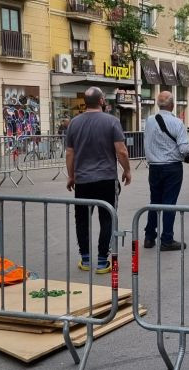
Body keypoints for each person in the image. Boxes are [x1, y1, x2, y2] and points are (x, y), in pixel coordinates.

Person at [65, 87, 131, 273]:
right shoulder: (112, 122)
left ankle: (85, 260)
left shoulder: (74, 123)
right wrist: (127, 171)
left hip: (83, 181)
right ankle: (103, 261)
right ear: (101, 100)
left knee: (82, 220)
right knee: (107, 218)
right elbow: (121, 151)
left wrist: (71, 176)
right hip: (106, 179)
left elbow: (70, 153)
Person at [143, 91, 189, 251]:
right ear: (172, 105)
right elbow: (184, 148)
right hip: (172, 167)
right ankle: (167, 239)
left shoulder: (150, 121)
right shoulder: (177, 123)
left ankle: (149, 236)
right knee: (169, 203)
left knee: (155, 201)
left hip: (154, 167)